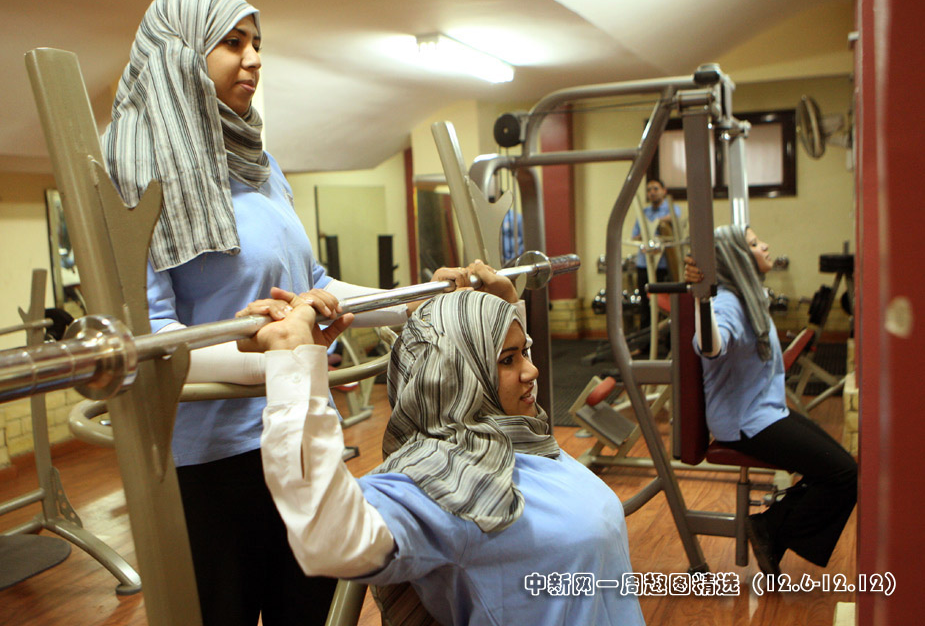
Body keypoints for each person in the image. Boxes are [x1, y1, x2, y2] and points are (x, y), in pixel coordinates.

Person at [101, 0, 472, 624]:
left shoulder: (260, 165)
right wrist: (279, 355)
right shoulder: (133, 172)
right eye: (232, 43)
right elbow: (152, 338)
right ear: (180, 53)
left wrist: (421, 301)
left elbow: (315, 286)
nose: (253, 59)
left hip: (298, 426)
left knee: (313, 613)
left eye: (257, 44)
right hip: (209, 459)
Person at [244, 262, 645, 626]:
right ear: (459, 374)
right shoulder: (445, 479)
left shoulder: (518, 436)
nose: (532, 370)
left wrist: (504, 308)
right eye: (509, 359)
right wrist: (294, 363)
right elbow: (332, 537)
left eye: (523, 352)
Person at [684, 225, 857, 576]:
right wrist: (701, 299)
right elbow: (710, 346)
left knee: (841, 469)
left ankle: (770, 528)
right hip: (744, 422)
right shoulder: (728, 302)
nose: (764, 246)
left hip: (765, 412)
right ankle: (770, 528)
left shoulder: (748, 295)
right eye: (753, 243)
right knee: (844, 473)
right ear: (735, 257)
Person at [631, 178, 682, 330]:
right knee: (645, 304)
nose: (652, 192)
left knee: (665, 306)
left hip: (663, 266)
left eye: (655, 189)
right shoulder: (644, 213)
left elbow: (674, 219)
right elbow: (635, 236)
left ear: (664, 191)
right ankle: (646, 340)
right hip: (644, 264)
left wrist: (655, 224)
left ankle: (667, 339)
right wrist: (645, 235)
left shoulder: (671, 209)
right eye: (649, 190)